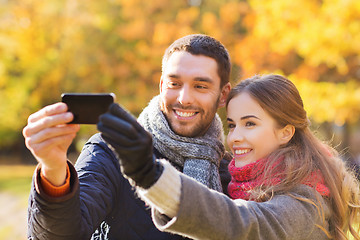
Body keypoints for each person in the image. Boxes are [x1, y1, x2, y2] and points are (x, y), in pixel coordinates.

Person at [98, 74, 360, 240]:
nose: (234, 138)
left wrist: (149, 174)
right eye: (232, 125)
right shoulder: (236, 180)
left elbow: (243, 223)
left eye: (250, 124)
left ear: (286, 132)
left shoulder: (305, 200)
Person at [23, 34, 232, 239]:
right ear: (161, 86)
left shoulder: (231, 169)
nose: (184, 98)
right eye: (174, 84)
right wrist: (53, 168)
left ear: (223, 94)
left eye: (200, 86)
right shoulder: (110, 151)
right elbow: (63, 234)